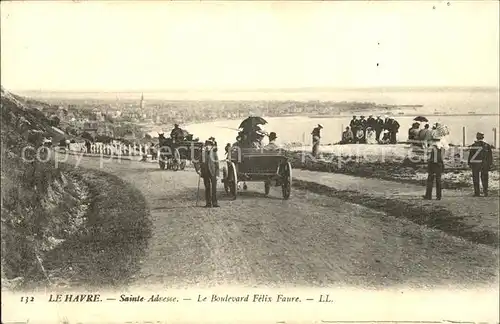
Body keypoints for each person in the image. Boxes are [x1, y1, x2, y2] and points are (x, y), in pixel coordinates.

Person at [468, 132, 493, 197]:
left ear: (477, 137)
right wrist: (489, 164)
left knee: (475, 178)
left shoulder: (474, 145)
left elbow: (471, 155)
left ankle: (477, 193)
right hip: (485, 164)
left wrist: (470, 164)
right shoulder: (487, 145)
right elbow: (490, 156)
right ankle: (485, 192)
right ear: (483, 137)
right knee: (485, 178)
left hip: (475, 164)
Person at [200, 139, 220, 207]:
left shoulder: (214, 153)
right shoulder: (202, 153)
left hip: (213, 172)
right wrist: (199, 170)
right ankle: (208, 203)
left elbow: (217, 164)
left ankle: (215, 203)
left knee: (214, 188)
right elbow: (200, 163)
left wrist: (217, 174)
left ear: (211, 146)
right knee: (207, 188)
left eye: (209, 145)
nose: (208, 147)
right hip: (205, 173)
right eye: (207, 145)